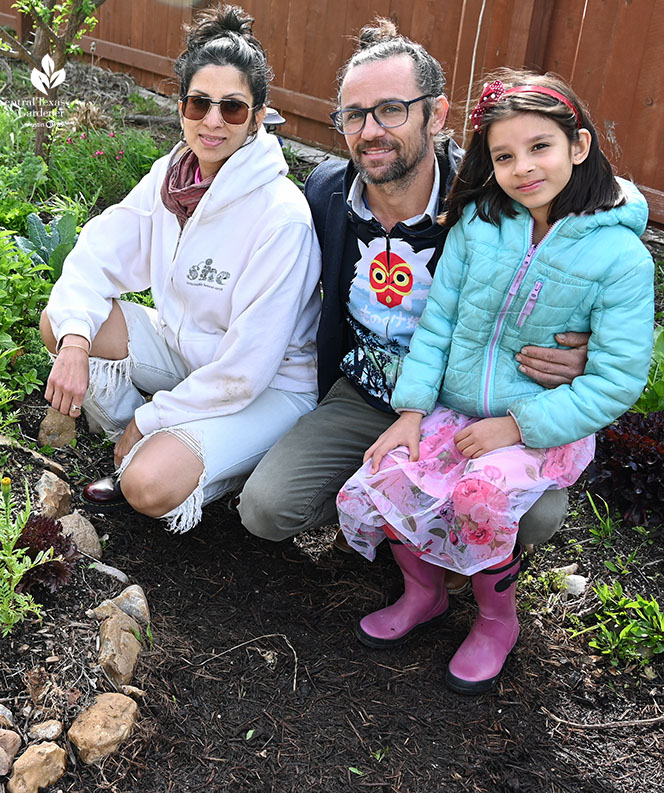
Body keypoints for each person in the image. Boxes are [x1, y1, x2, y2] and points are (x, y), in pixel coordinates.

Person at [336, 69, 654, 694]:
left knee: (479, 497)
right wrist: (411, 411)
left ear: (580, 147)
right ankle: (423, 593)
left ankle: (494, 620)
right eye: (505, 155)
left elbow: (618, 379)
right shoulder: (480, 228)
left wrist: (517, 425)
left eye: (541, 148)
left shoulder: (620, 257)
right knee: (385, 474)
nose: (523, 168)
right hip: (458, 413)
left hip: (540, 426)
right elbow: (438, 324)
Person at [238, 20, 590, 562]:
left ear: (438, 115)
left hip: (465, 405)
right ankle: (387, 512)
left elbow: (567, 283)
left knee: (535, 514)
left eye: (391, 109)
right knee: (266, 508)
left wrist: (578, 349)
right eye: (354, 115)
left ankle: (434, 533)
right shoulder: (326, 193)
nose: (371, 130)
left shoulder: (492, 207)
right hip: (365, 392)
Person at [40, 4, 321, 534]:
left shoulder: (281, 216)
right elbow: (98, 253)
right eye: (200, 103)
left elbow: (245, 371)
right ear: (182, 107)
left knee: (147, 488)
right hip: (187, 353)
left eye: (233, 109)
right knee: (63, 322)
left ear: (259, 117)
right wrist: (77, 344)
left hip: (267, 387)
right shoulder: (171, 176)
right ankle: (138, 437)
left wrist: (152, 416)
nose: (213, 121)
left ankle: (203, 459)